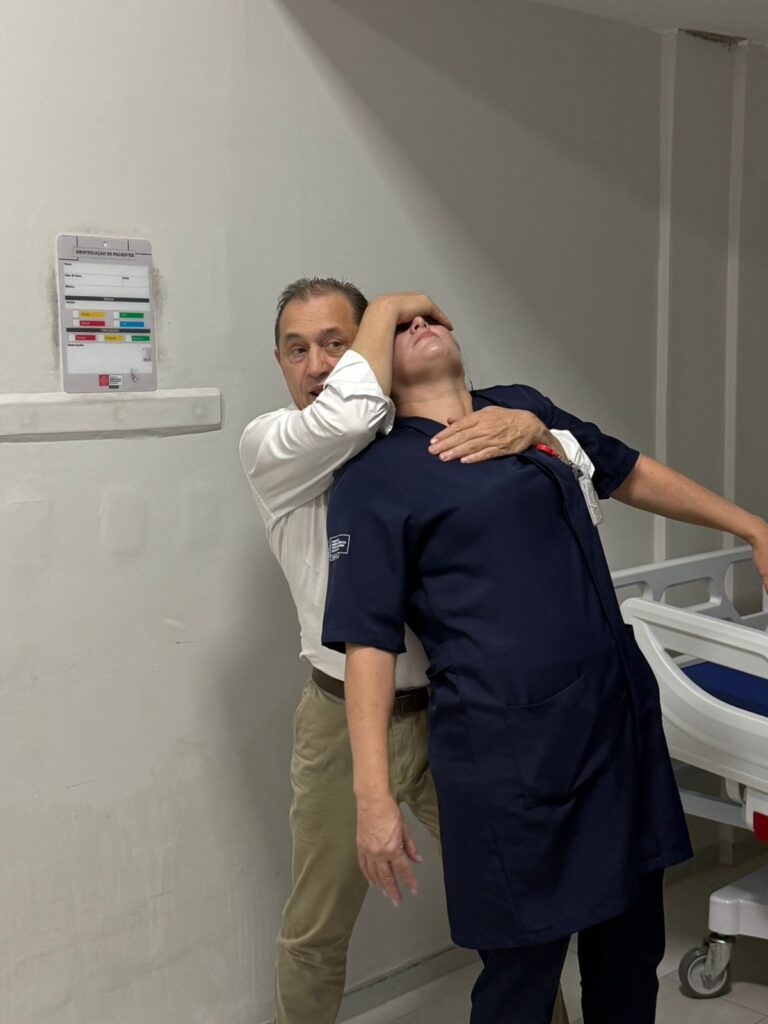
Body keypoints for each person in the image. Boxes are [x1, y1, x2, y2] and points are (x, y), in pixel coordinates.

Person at [321, 310, 768, 1023]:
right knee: (522, 975)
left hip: (614, 725)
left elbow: (624, 468)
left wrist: (751, 527)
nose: (420, 323)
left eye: (429, 315)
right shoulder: (376, 477)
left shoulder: (521, 406)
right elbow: (366, 642)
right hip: (511, 756)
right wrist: (373, 798)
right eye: (399, 326)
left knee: (631, 956)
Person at [240, 278, 588, 1024]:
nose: (317, 365)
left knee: (518, 916)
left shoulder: (430, 438)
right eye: (297, 350)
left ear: (367, 350)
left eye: (337, 343)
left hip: (453, 715)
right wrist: (396, 303)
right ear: (278, 362)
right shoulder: (273, 445)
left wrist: (532, 422)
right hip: (339, 724)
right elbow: (351, 413)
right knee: (315, 931)